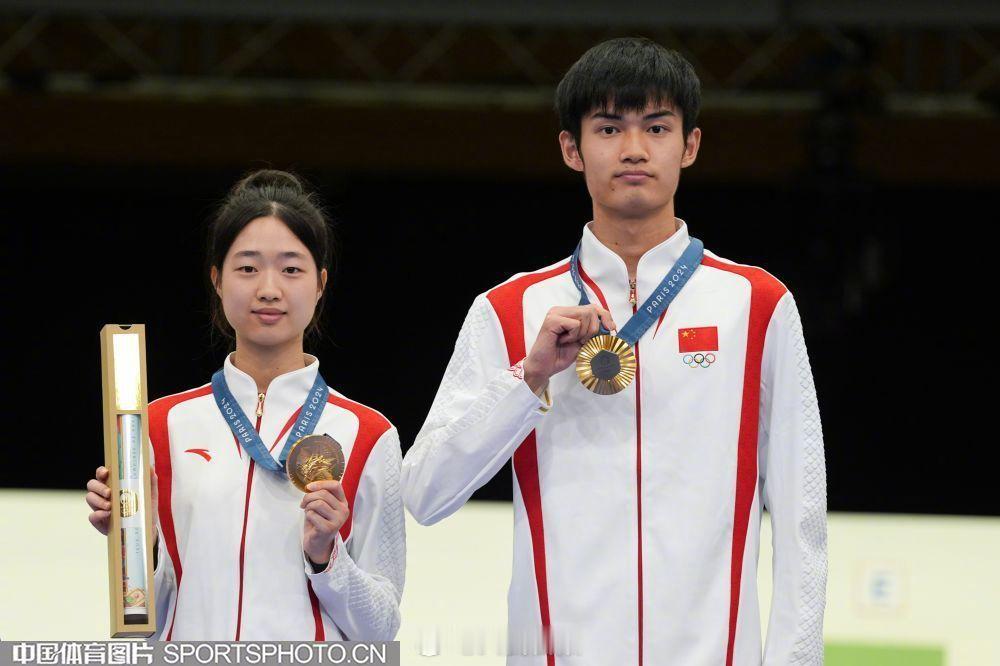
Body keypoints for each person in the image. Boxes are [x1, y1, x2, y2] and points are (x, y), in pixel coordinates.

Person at [402, 38, 827, 666]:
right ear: (572, 149)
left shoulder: (757, 306)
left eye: (656, 127)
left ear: (690, 145)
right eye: (609, 127)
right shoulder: (511, 310)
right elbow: (425, 493)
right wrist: (529, 377)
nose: (633, 148)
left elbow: (801, 519)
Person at [85, 170, 405, 641]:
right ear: (217, 279)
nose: (269, 289)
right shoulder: (158, 425)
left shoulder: (369, 434)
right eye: (248, 268)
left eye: (292, 269)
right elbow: (137, 629)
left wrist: (326, 557)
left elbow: (381, 631)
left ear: (320, 283)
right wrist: (134, 539)